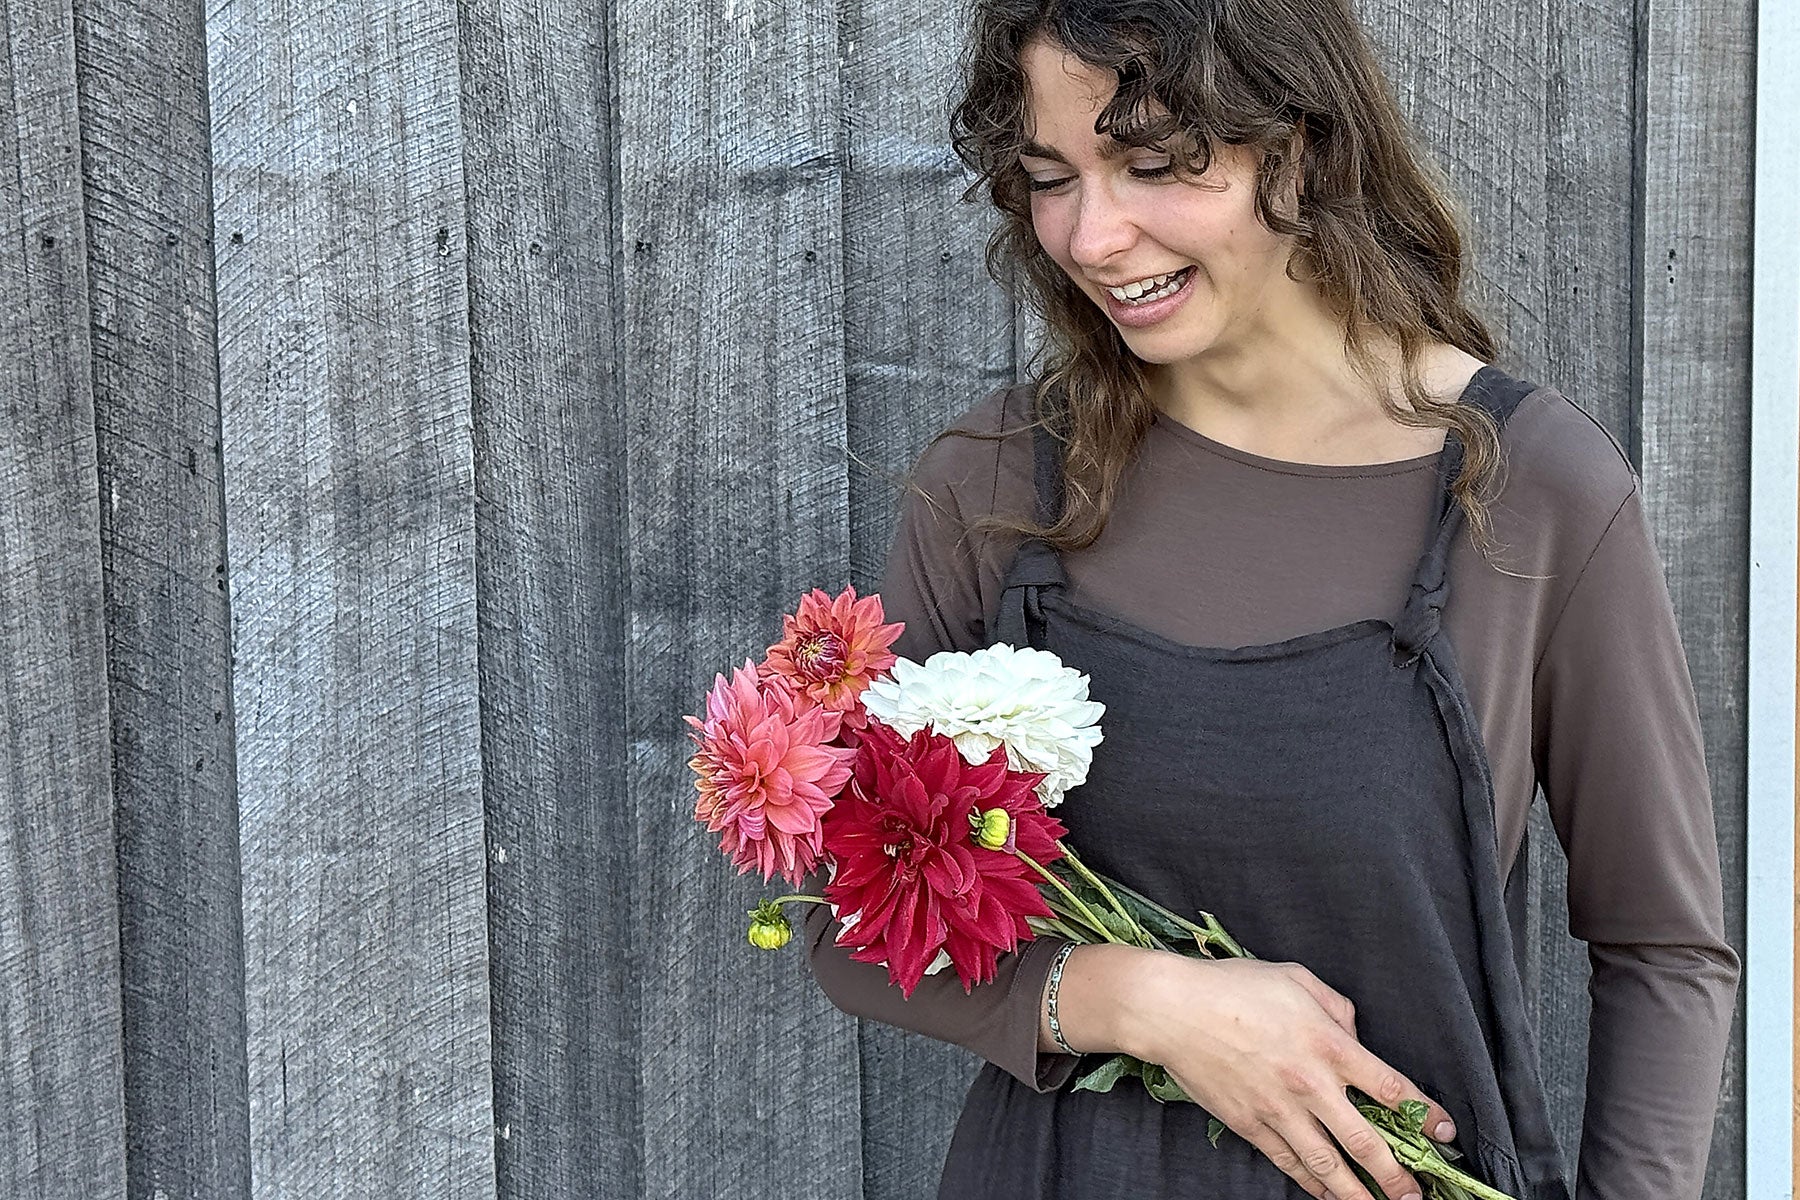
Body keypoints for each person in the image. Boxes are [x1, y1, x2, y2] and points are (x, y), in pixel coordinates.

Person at [801, 2, 1739, 1198]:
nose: (1091, 235)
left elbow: (1663, 948)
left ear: (1300, 150)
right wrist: (1140, 1002)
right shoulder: (994, 484)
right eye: (1052, 178)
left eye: (1150, 166)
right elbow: (852, 922)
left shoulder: (1531, 491)